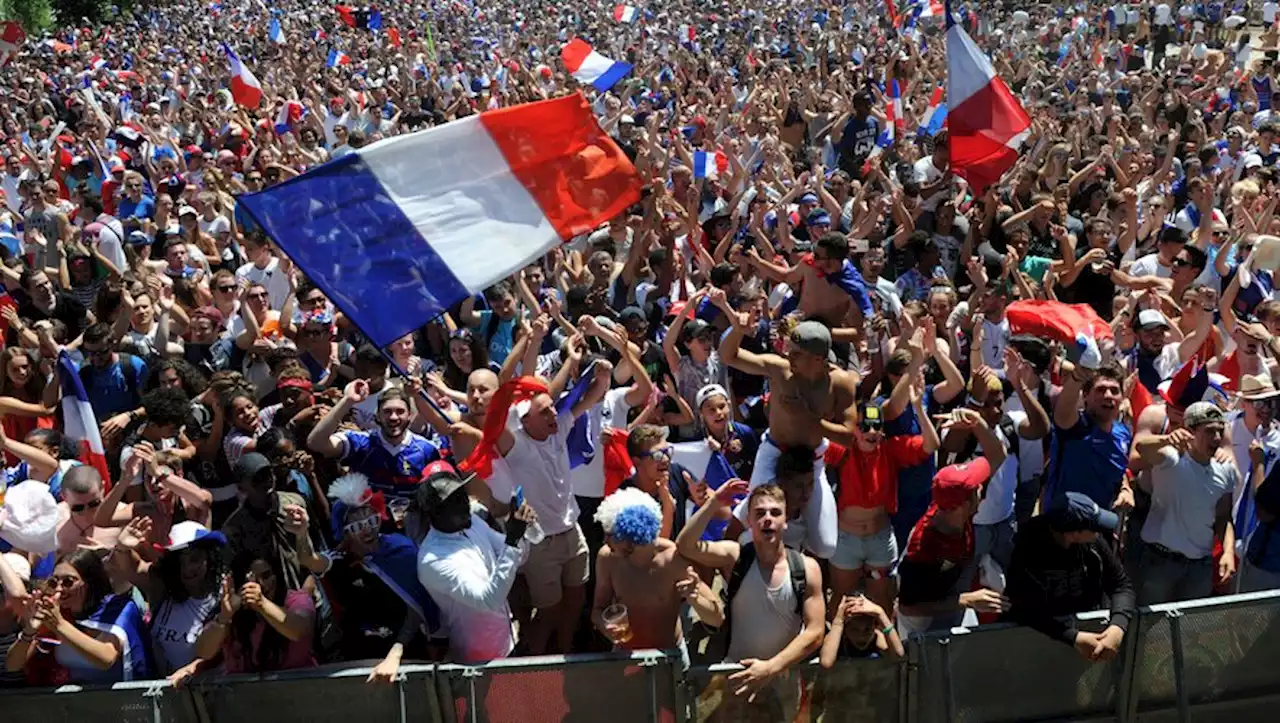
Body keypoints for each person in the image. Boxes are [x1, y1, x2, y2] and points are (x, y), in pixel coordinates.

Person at [675, 481, 825, 722]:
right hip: (736, 677)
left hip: (782, 679)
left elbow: (816, 632)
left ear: (785, 521)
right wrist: (715, 503)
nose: (768, 519)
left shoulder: (806, 568)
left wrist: (770, 668)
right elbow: (685, 545)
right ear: (750, 522)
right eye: (759, 513)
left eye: (775, 513)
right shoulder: (735, 557)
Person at [896, 410, 1008, 636]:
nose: (982, 489)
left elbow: (998, 456)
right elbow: (907, 606)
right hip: (923, 625)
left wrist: (977, 421)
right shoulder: (922, 548)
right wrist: (966, 600)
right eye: (976, 487)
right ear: (962, 505)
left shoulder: (952, 504)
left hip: (954, 603)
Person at [415, 462, 537, 663]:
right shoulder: (433, 560)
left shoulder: (472, 522)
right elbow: (488, 600)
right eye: (454, 502)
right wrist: (513, 541)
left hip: (507, 641)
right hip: (477, 660)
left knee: (517, 694)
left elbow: (518, 557)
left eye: (463, 495)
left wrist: (523, 530)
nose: (465, 504)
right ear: (435, 514)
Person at [1004, 493, 1135, 661]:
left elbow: (1121, 585)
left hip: (1084, 636)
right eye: (1094, 527)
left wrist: (1118, 626)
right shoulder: (1028, 547)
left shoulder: (1093, 542)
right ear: (1073, 534)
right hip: (1036, 643)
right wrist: (1073, 637)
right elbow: (1022, 609)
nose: (1099, 531)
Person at [590, 488, 722, 651]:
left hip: (669, 656)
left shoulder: (671, 558)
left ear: (630, 536)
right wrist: (605, 627)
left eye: (610, 534)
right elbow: (597, 610)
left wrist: (694, 597)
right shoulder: (608, 558)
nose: (605, 540)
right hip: (626, 656)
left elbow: (716, 618)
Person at [1133, 402, 1238, 604]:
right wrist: (1166, 439)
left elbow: (1223, 517)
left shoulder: (1226, 470)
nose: (1216, 438)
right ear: (1189, 432)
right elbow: (1141, 448)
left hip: (1200, 567)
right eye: (1209, 431)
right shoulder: (1171, 458)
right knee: (1150, 629)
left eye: (1219, 431)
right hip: (1160, 563)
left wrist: (1228, 552)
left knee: (1189, 630)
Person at [6, 548, 151, 683]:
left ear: (89, 582)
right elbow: (12, 665)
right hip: (75, 706)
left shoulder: (119, 608)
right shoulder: (57, 613)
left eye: (68, 582)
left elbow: (106, 658)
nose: (59, 589)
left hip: (128, 703)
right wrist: (29, 631)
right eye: (53, 582)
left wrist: (59, 624)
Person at [307, 380, 444, 500]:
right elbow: (316, 443)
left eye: (400, 411)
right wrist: (348, 401)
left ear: (409, 415)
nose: (393, 417)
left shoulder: (427, 450)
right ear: (377, 416)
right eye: (387, 411)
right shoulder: (361, 442)